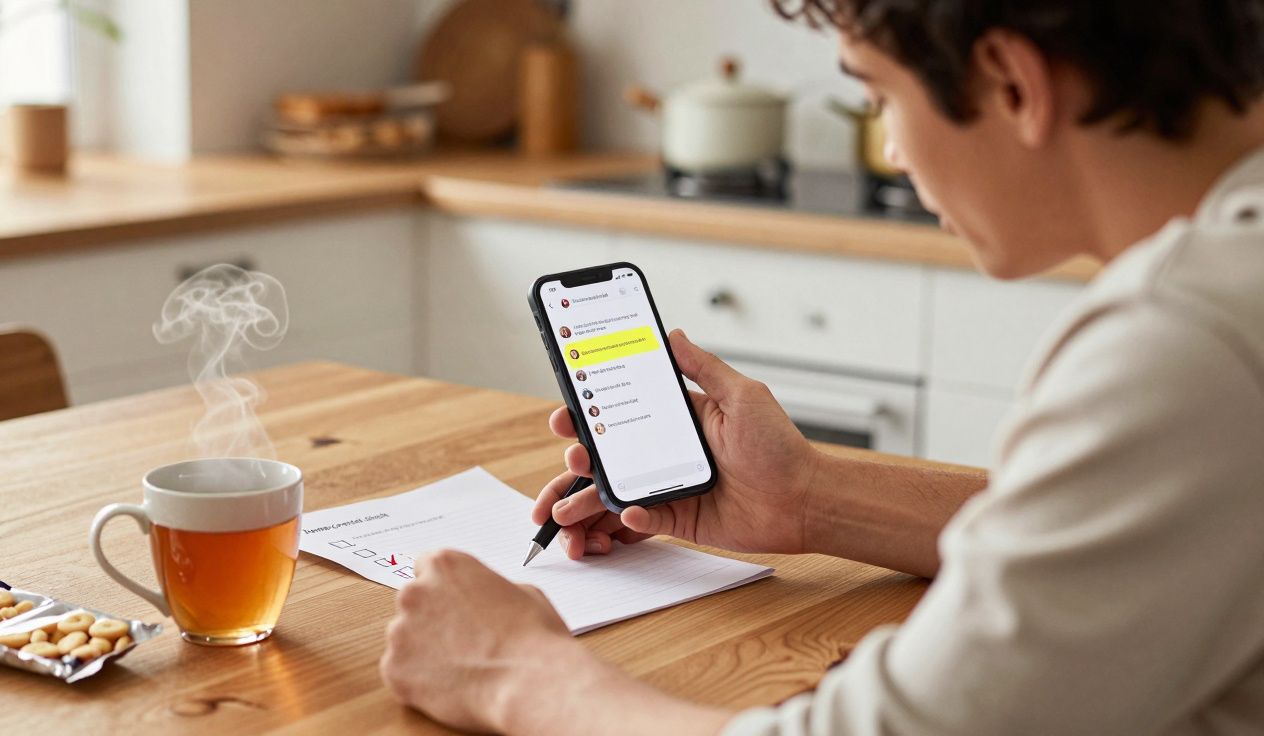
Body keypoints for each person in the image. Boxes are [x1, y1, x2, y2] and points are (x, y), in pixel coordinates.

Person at [379, 1, 1264, 733]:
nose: (893, 151)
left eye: (878, 97)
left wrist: (515, 673)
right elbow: (1118, 536)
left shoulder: (1184, 339)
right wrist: (806, 497)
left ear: (1010, 81)